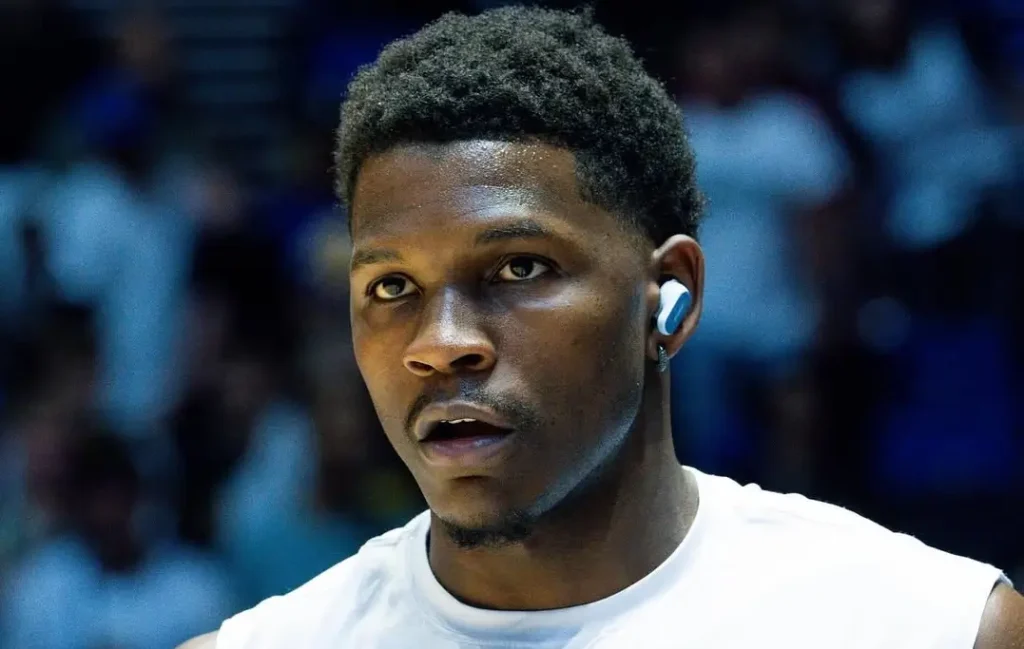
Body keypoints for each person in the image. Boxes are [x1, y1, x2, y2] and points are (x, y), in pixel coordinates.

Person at [179, 6, 1024, 648]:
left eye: (518, 268)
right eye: (393, 284)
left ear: (669, 297)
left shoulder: (931, 628)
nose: (440, 341)